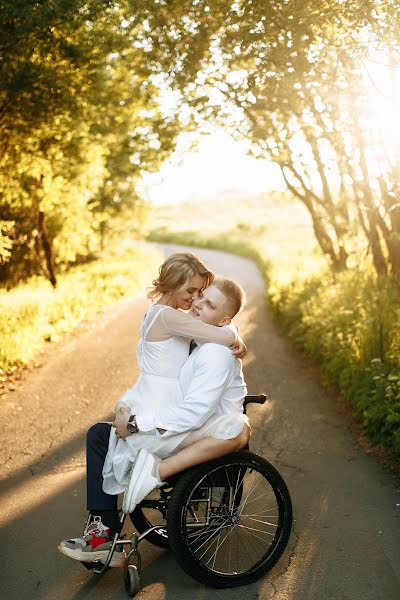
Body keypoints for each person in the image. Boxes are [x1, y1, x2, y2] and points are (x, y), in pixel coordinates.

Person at [58, 275, 250, 567]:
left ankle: (101, 536)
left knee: (100, 436)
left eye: (209, 304)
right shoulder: (203, 338)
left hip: (196, 432)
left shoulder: (214, 353)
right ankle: (101, 536)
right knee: (100, 434)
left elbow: (194, 412)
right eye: (200, 296)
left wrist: (136, 423)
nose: (197, 304)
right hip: (184, 427)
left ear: (223, 320)